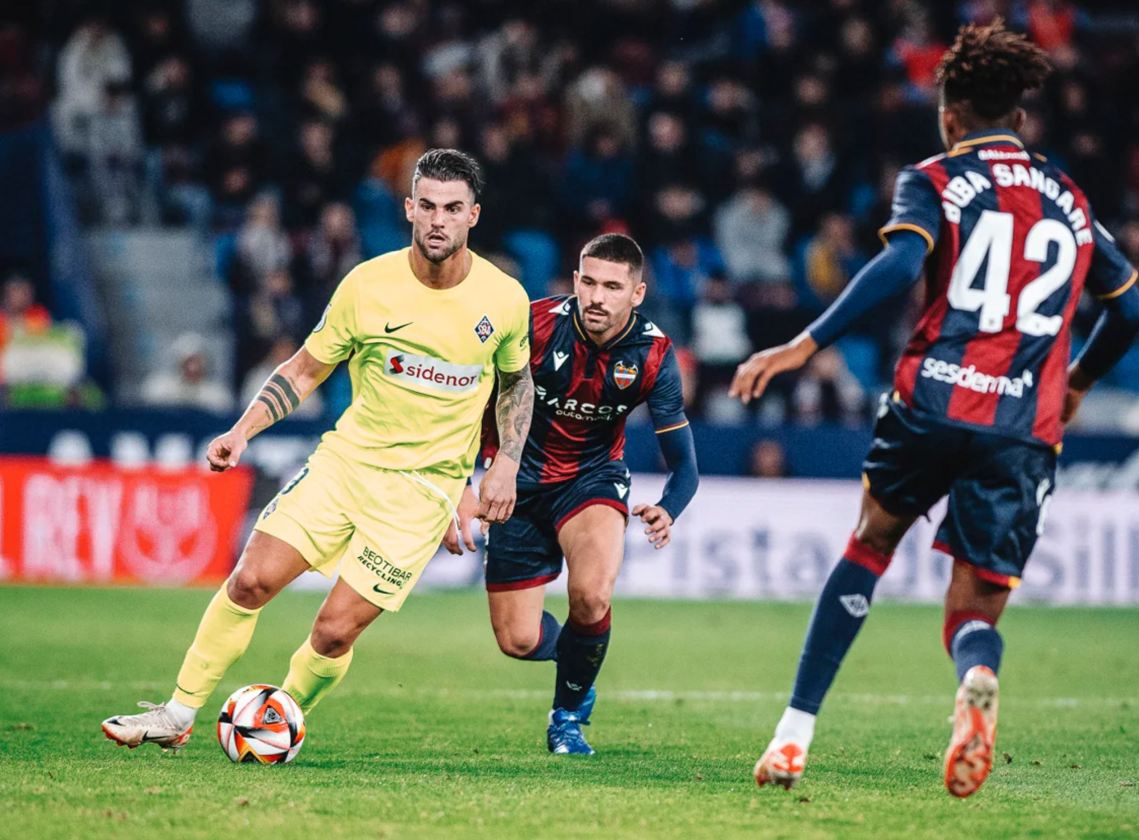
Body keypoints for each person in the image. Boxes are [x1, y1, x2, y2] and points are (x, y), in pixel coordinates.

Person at [730, 21, 1139, 798]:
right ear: (1020, 119)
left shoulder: (936, 177)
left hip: (934, 400)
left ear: (951, 116)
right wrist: (1078, 384)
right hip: (1023, 426)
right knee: (975, 605)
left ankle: (793, 736)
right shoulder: (1074, 202)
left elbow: (900, 262)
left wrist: (805, 342)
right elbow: (1130, 312)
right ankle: (975, 679)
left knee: (870, 543)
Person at [102, 149, 534, 751]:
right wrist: (242, 430)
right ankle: (176, 714)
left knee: (332, 633)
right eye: (428, 206)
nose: (439, 220)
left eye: (453, 209)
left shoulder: (505, 299)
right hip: (345, 465)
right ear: (409, 209)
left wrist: (503, 465)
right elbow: (305, 371)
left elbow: (516, 382)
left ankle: (279, 719)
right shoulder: (366, 285)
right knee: (250, 581)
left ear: (474, 216)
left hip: (422, 492)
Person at [448, 234, 699, 756]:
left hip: (592, 480)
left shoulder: (653, 355)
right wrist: (465, 481)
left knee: (591, 595)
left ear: (637, 293)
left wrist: (668, 508)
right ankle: (582, 661)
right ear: (575, 281)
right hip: (512, 483)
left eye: (613, 286)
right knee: (516, 641)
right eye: (588, 282)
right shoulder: (534, 324)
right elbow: (467, 405)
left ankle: (566, 717)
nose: (597, 297)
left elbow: (686, 467)